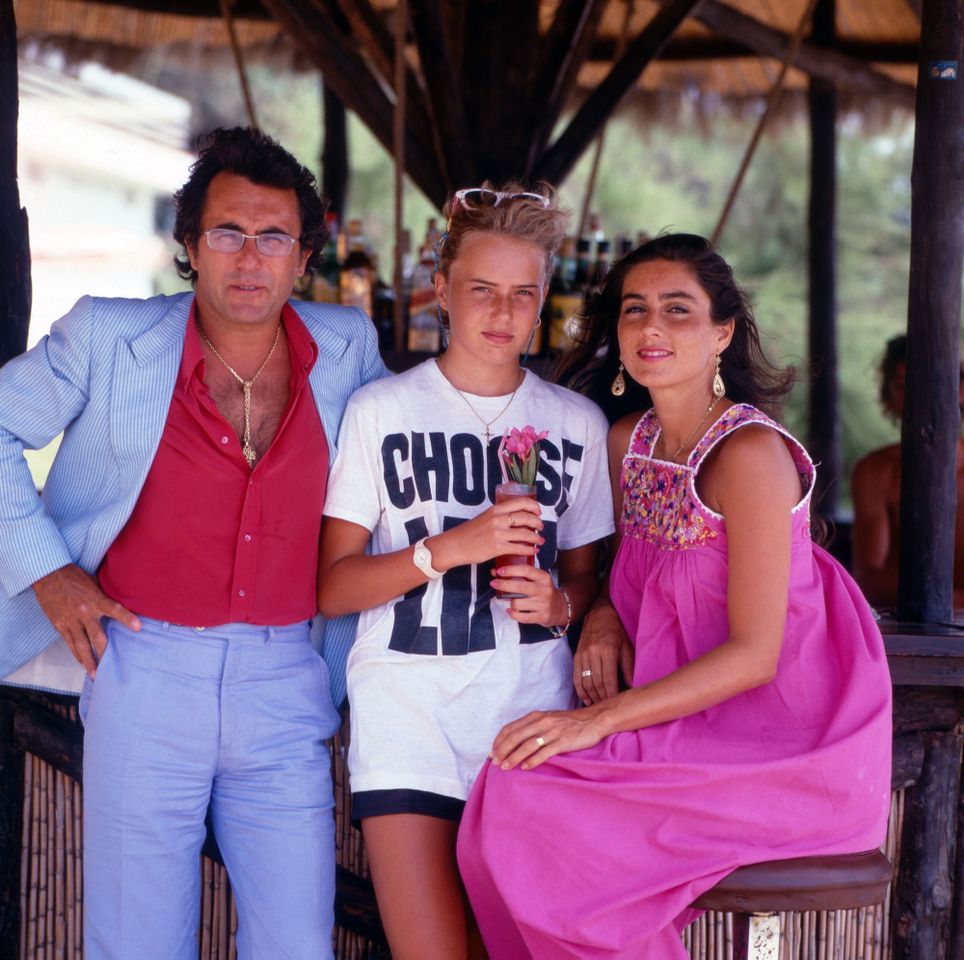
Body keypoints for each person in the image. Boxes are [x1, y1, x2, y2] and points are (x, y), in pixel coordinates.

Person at [0, 127, 387, 959]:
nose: (250, 258)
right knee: (137, 945)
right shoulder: (109, 337)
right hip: (142, 666)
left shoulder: (347, 347)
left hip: (287, 677)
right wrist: (49, 572)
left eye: (274, 237)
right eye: (227, 233)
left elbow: (403, 470)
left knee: (297, 946)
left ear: (304, 256)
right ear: (189, 244)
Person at [457, 234, 893, 959]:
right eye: (635, 309)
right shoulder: (631, 441)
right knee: (501, 808)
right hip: (678, 724)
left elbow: (755, 656)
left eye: (678, 309)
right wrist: (601, 612)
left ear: (722, 332)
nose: (651, 327)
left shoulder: (748, 454)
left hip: (775, 743)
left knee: (530, 816)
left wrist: (593, 724)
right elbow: (635, 566)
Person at [317, 183, 614, 960]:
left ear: (544, 300)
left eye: (523, 293)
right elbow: (334, 587)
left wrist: (558, 603)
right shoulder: (380, 410)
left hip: (529, 725)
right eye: (482, 289)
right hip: (407, 722)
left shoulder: (576, 424)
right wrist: (448, 548)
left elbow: (587, 581)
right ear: (441, 291)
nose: (502, 312)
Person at [851, 333, 964, 608]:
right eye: (903, 385)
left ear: (960, 390)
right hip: (910, 623)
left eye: (931, 383)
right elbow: (868, 579)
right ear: (888, 398)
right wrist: (952, 602)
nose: (918, 396)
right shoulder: (876, 472)